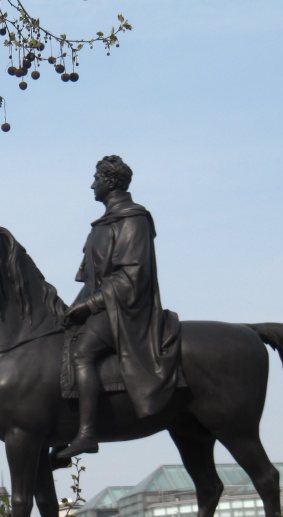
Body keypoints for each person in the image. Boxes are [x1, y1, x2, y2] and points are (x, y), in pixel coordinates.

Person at [57, 155, 181, 460]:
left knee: (82, 352)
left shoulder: (133, 219)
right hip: (104, 307)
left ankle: (87, 434)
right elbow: (89, 281)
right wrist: (69, 311)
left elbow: (131, 277)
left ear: (110, 182)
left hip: (126, 310)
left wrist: (90, 305)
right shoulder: (102, 225)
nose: (91, 185)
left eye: (96, 178)